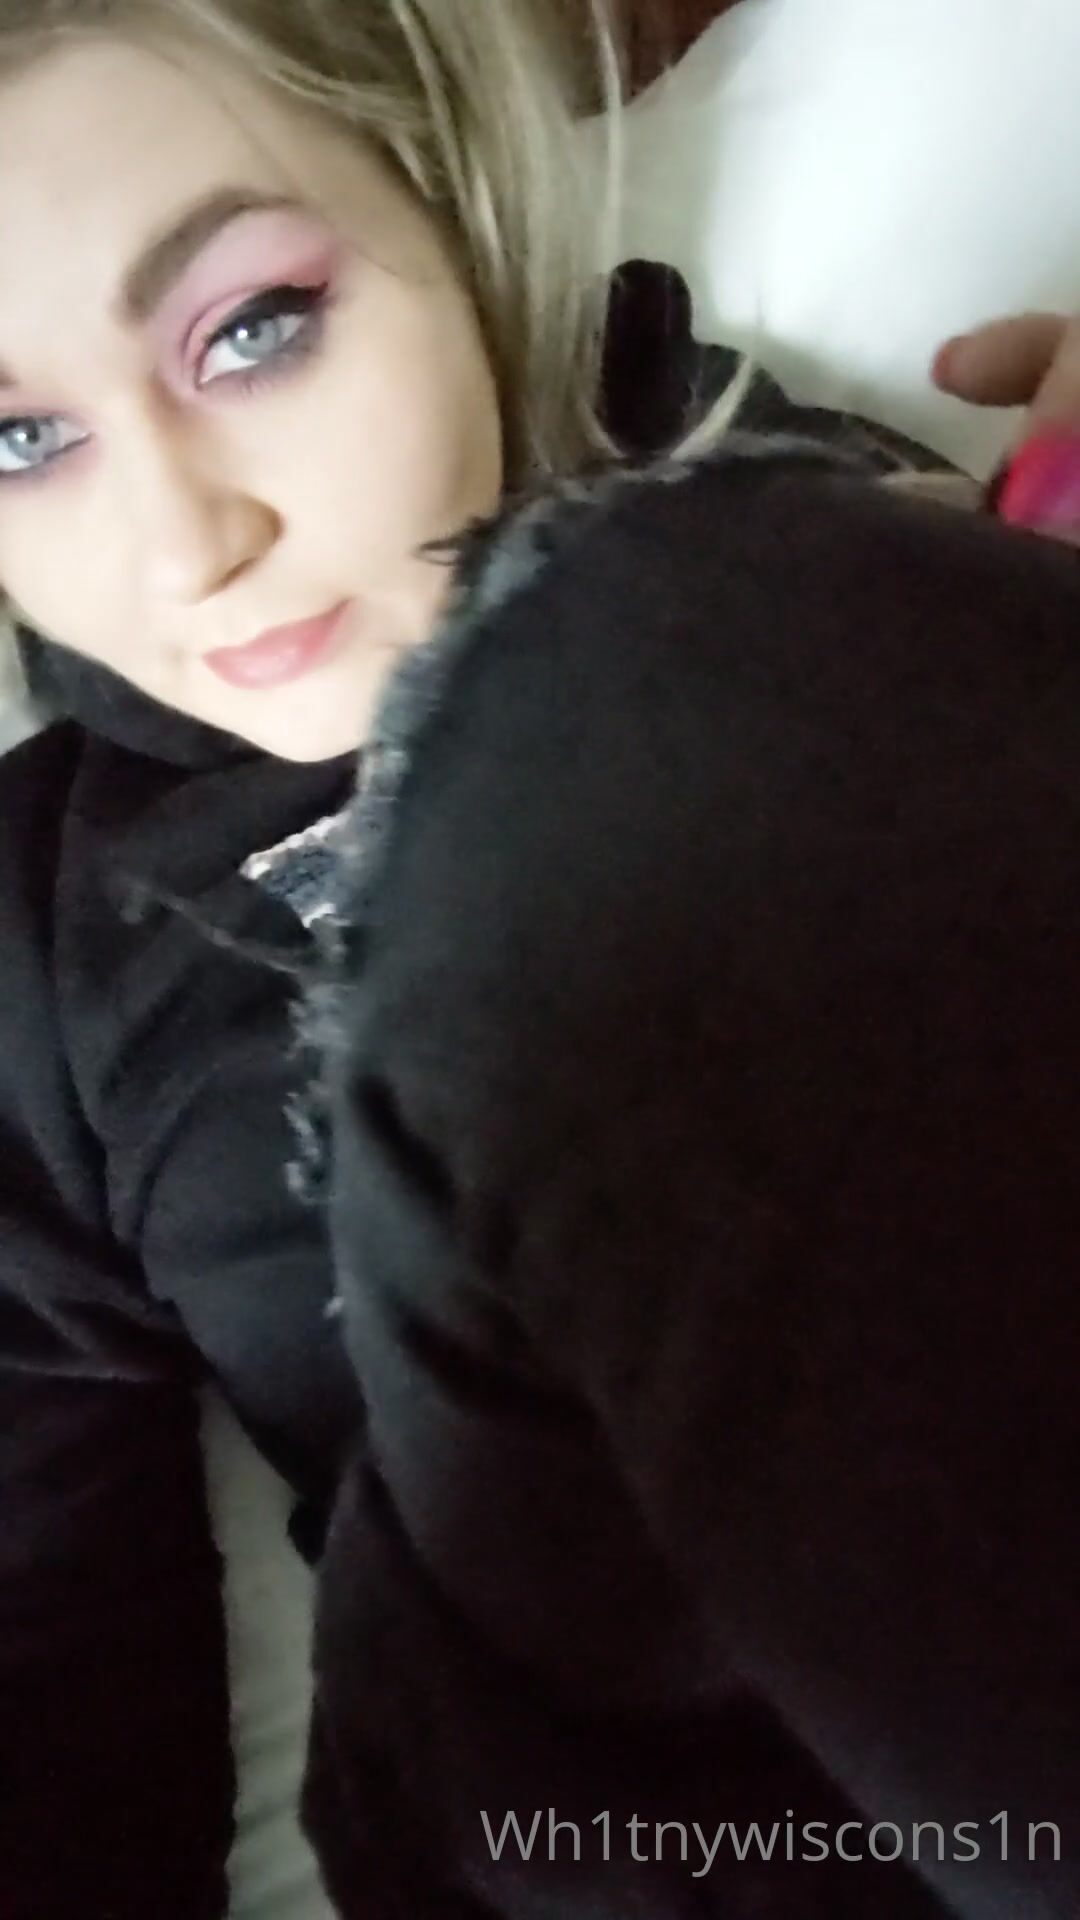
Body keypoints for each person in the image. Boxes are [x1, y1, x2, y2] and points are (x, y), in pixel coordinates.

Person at [0, 2, 1075, 1915]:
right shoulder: (44, 931)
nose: (187, 544)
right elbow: (51, 1679)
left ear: (447, 196)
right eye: (18, 440)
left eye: (254, 329)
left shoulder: (822, 550)